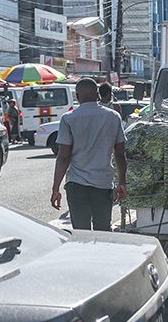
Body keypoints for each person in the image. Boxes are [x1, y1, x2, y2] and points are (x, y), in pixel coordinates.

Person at [50, 78, 127, 231]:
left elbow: (63, 157)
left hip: (77, 185)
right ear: (98, 95)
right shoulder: (113, 117)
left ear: (77, 97)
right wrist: (122, 182)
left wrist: (55, 188)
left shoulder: (68, 118)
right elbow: (119, 153)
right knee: (103, 230)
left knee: (81, 233)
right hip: (103, 184)